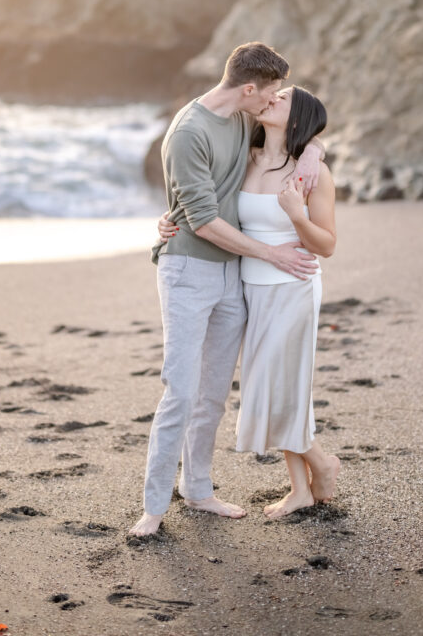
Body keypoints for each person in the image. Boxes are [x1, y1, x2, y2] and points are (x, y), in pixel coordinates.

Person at [129, 43, 323, 538]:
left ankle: (198, 491)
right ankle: (153, 507)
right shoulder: (189, 132)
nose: (274, 101)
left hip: (233, 275)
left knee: (213, 394)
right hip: (189, 270)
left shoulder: (244, 117)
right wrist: (273, 253)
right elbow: (204, 221)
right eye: (272, 92)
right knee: (181, 390)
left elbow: (301, 133)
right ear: (251, 88)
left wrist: (316, 151)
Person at [235, 85, 340, 518]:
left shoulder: (311, 172)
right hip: (250, 288)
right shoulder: (244, 156)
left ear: (296, 117)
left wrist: (298, 214)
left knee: (285, 388)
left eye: (283, 98)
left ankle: (320, 466)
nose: (272, 97)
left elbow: (327, 244)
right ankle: (303, 485)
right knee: (275, 387)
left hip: (293, 287)